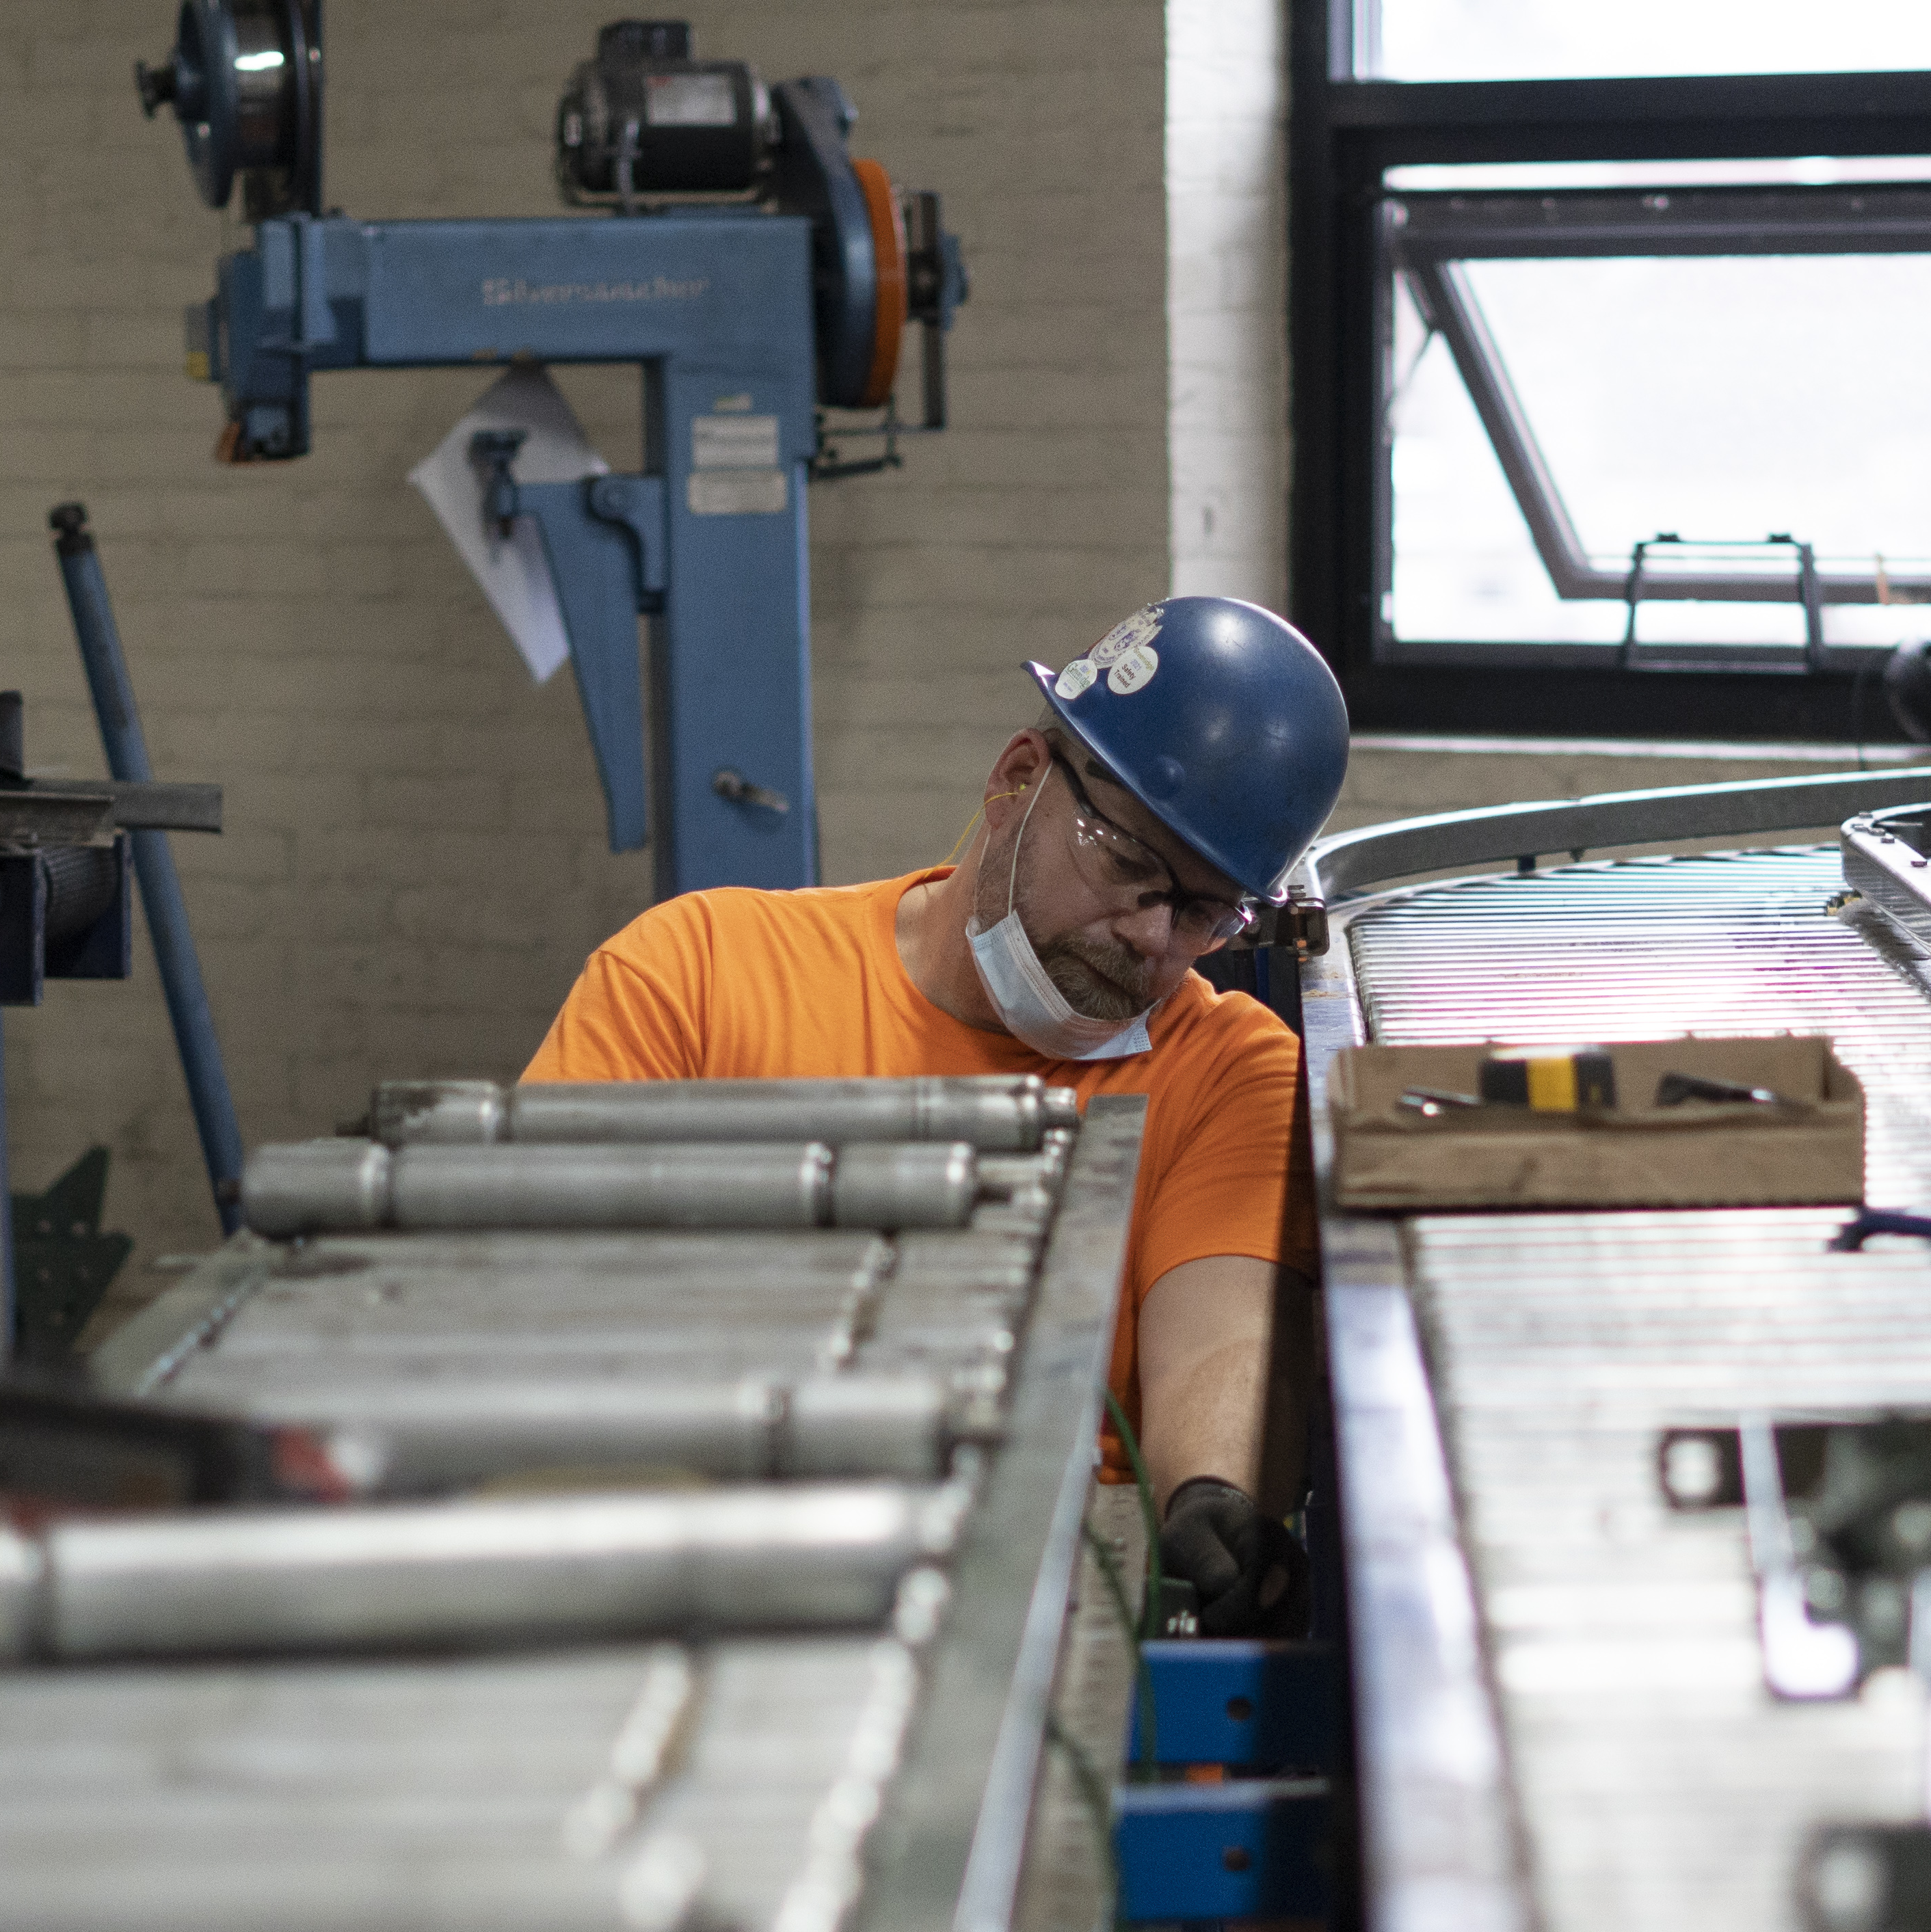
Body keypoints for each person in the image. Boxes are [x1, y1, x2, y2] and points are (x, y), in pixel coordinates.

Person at [520, 595, 1348, 1639]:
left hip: (1038, 1612)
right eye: (1125, 862)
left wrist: (1211, 1505)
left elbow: (1222, 1341)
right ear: (1015, 782)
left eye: (1200, 913)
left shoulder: (1228, 1074)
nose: (1147, 935)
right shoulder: (697, 972)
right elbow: (536, 1310)